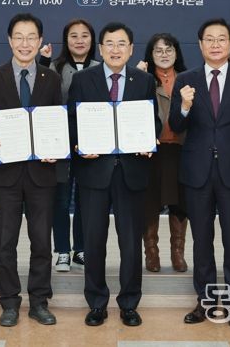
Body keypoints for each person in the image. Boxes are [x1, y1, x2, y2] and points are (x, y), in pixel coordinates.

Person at [169, 18, 230, 329]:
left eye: (222, 39)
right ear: (200, 44)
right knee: (202, 240)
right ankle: (205, 300)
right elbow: (176, 125)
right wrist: (184, 106)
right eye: (209, 39)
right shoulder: (186, 79)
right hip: (197, 173)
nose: (216, 44)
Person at [68, 22, 160, 327]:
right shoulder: (83, 79)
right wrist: (79, 145)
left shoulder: (144, 80)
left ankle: (129, 303)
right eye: (110, 43)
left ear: (131, 49)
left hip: (131, 171)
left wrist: (150, 140)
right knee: (93, 242)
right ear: (101, 48)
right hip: (94, 171)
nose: (115, 49)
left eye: (122, 44)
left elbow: (153, 121)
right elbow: (72, 121)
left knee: (131, 243)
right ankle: (96, 303)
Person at [0, 13, 61, 327]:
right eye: (19, 37)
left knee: (41, 242)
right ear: (10, 40)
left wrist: (55, 148)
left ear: (40, 42)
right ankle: (9, 302)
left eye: (31, 37)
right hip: (6, 173)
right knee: (6, 242)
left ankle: (39, 301)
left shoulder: (51, 78)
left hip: (42, 173)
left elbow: (57, 120)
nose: (25, 43)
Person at [38, 19, 98, 272]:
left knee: (86, 199)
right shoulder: (54, 67)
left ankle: (81, 249)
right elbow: (40, 96)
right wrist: (43, 63)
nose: (79, 40)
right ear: (66, 40)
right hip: (60, 143)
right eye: (74, 36)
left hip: (91, 145)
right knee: (60, 200)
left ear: (92, 40)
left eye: (85, 35)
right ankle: (62, 250)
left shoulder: (100, 68)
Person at [136, 33, 189, 273]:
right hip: (151, 152)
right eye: (158, 50)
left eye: (169, 49)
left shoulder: (187, 79)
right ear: (151, 54)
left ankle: (178, 253)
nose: (164, 54)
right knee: (149, 203)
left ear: (177, 53)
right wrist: (137, 78)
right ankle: (151, 253)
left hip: (180, 149)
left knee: (180, 203)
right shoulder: (142, 79)